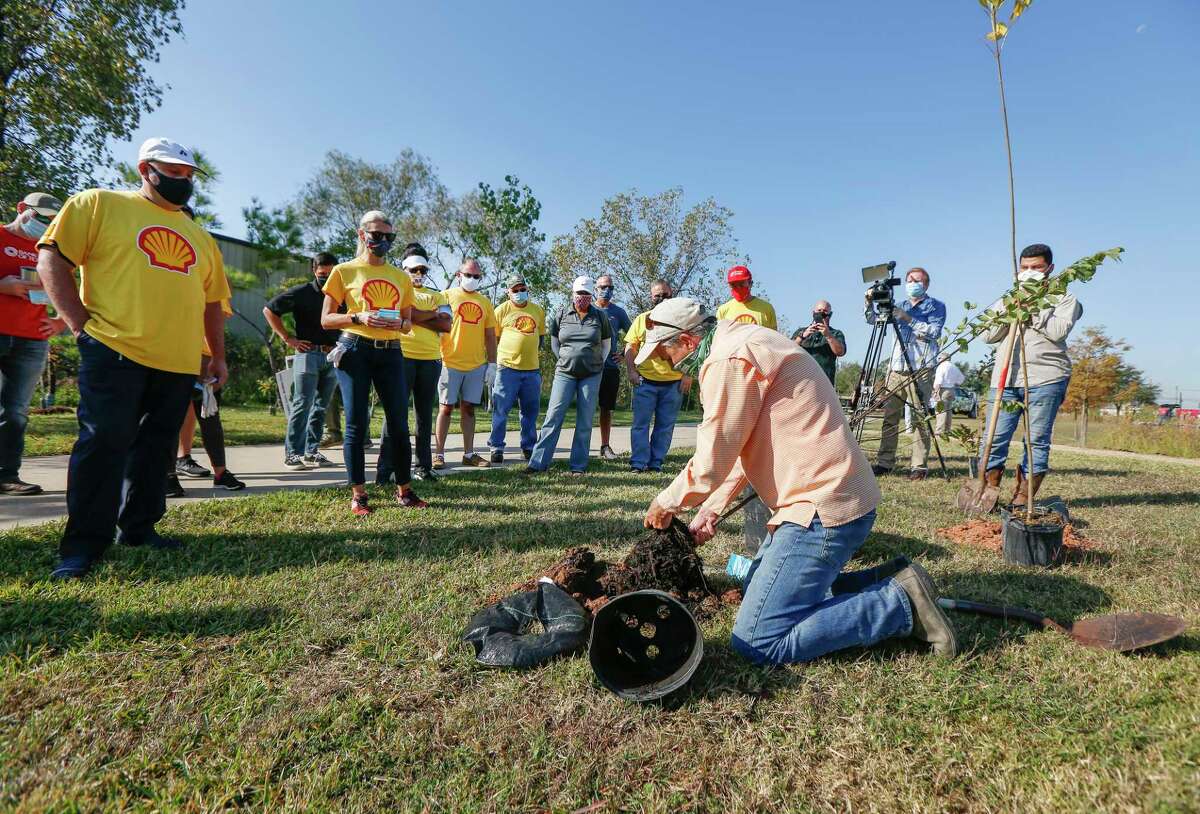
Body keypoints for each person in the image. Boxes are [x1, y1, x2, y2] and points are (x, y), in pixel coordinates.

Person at [641, 298, 958, 663]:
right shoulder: (743, 341)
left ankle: (898, 604)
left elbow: (715, 454)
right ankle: (894, 579)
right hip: (830, 497)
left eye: (664, 351)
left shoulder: (729, 359)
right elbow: (743, 444)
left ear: (686, 341)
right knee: (759, 585)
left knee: (758, 640)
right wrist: (712, 509)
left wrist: (666, 502)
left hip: (821, 509)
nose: (663, 361)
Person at [38, 137, 231, 579]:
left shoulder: (200, 237)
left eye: (188, 175)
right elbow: (52, 258)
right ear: (146, 169)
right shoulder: (99, 204)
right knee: (104, 441)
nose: (183, 181)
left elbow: (211, 303)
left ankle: (139, 528)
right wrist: (78, 324)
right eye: (174, 172)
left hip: (179, 361)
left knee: (155, 449)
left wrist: (216, 356)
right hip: (113, 348)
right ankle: (83, 545)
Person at [320, 210, 424, 515]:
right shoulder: (344, 271)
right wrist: (357, 316)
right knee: (356, 422)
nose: (381, 241)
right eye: (376, 235)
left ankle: (404, 489)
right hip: (355, 349)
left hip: (391, 350)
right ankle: (359, 494)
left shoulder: (400, 276)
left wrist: (399, 326)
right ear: (361, 234)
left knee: (398, 423)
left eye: (388, 237)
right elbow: (326, 319)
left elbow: (408, 322)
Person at [979, 243, 1082, 508]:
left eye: (1036, 268)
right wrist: (1009, 308)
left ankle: (1023, 497)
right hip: (1005, 379)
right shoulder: (1008, 297)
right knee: (994, 438)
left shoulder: (1065, 298)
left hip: (1046, 378)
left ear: (1050, 269)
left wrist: (1031, 308)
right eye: (1024, 268)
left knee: (1036, 441)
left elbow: (1058, 331)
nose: (1029, 272)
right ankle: (985, 489)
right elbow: (987, 334)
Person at [0, 191, 65, 496]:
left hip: (32, 341)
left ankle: (7, 474)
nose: (45, 225)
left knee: (15, 412)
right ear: (22, 208)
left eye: (51, 221)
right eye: (40, 218)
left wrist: (60, 322)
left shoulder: (50, 250)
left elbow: (73, 292)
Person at [378, 242, 452, 483]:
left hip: (430, 361)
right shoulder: (396, 290)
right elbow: (396, 316)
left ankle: (423, 466)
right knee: (394, 413)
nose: (419, 274)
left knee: (424, 416)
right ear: (405, 269)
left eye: (423, 270)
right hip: (401, 357)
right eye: (414, 270)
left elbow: (446, 324)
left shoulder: (437, 294)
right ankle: (386, 469)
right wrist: (430, 314)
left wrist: (415, 315)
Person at [864, 267, 946, 480]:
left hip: (921, 368)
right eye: (909, 280)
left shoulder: (936, 306)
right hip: (896, 369)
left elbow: (934, 332)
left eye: (916, 280)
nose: (911, 283)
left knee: (920, 418)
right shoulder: (898, 304)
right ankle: (885, 463)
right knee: (890, 418)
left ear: (925, 284)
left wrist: (907, 318)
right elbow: (874, 321)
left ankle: (918, 466)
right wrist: (868, 303)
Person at [263, 251, 342, 470]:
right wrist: (288, 338)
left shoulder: (340, 295)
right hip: (307, 355)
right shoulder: (302, 293)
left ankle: (311, 452)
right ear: (314, 271)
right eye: (321, 273)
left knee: (321, 407)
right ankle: (293, 454)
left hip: (331, 356)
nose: (326, 277)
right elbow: (269, 310)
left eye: (330, 273)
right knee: (302, 404)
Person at [526, 276, 612, 475]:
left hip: (591, 374)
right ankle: (538, 463)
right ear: (573, 294)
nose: (582, 297)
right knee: (553, 416)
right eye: (579, 293)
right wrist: (562, 358)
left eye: (586, 294)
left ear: (591, 295)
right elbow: (555, 341)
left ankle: (578, 466)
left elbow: (606, 343)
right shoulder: (561, 313)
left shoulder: (600, 316)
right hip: (565, 372)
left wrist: (598, 362)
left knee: (585, 420)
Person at [166, 296, 246, 496]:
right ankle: (167, 476)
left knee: (210, 416)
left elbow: (217, 320)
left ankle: (220, 473)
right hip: (170, 355)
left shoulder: (213, 283)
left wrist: (217, 358)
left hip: (204, 358)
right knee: (169, 418)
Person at [433, 258, 498, 469]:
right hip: (449, 362)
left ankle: (469, 454)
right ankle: (439, 454)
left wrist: (492, 364)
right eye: (468, 275)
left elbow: (490, 335)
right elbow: (436, 326)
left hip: (476, 365)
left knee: (469, 409)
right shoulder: (446, 296)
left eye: (476, 276)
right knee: (445, 408)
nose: (472, 279)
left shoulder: (485, 301)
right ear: (458, 275)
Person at [624, 279, 691, 473]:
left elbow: (693, 349)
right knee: (640, 425)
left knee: (665, 426)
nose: (661, 298)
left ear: (672, 294)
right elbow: (630, 346)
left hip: (673, 384)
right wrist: (631, 371)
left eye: (665, 294)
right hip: (645, 382)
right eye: (657, 295)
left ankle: (656, 463)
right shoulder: (642, 319)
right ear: (651, 297)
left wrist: (688, 374)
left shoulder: (683, 320)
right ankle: (638, 463)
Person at [488, 273, 546, 464]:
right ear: (508, 292)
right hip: (507, 369)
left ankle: (528, 447)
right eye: (516, 290)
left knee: (530, 411)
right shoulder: (501, 310)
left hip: (531, 370)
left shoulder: (537, 310)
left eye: (523, 289)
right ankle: (496, 447)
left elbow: (542, 336)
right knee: (500, 410)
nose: (520, 293)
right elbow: (493, 339)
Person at [592, 274, 632, 460]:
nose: (606, 290)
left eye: (610, 287)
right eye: (602, 287)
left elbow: (634, 335)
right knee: (584, 408)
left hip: (609, 369)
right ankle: (581, 447)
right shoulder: (587, 308)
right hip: (587, 368)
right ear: (595, 289)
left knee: (606, 409)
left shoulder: (619, 312)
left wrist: (623, 355)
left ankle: (605, 447)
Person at [792, 299, 846, 385]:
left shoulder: (836, 333)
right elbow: (788, 350)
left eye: (825, 311)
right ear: (813, 313)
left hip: (824, 384)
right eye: (819, 311)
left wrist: (828, 335)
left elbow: (840, 352)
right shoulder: (801, 331)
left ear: (830, 315)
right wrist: (803, 336)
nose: (821, 314)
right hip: (801, 382)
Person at [715, 265, 777, 329]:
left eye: (741, 284)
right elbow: (718, 337)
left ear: (750, 284)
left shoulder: (767, 308)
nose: (738, 288)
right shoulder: (722, 311)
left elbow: (773, 337)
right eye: (733, 285)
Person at [931, 356, 966, 438]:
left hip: (943, 390)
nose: (938, 359)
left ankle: (939, 432)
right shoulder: (954, 367)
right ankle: (947, 430)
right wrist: (953, 383)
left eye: (940, 358)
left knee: (940, 410)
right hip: (952, 390)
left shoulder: (941, 366)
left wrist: (936, 392)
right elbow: (961, 380)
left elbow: (939, 380)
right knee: (948, 411)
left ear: (944, 358)